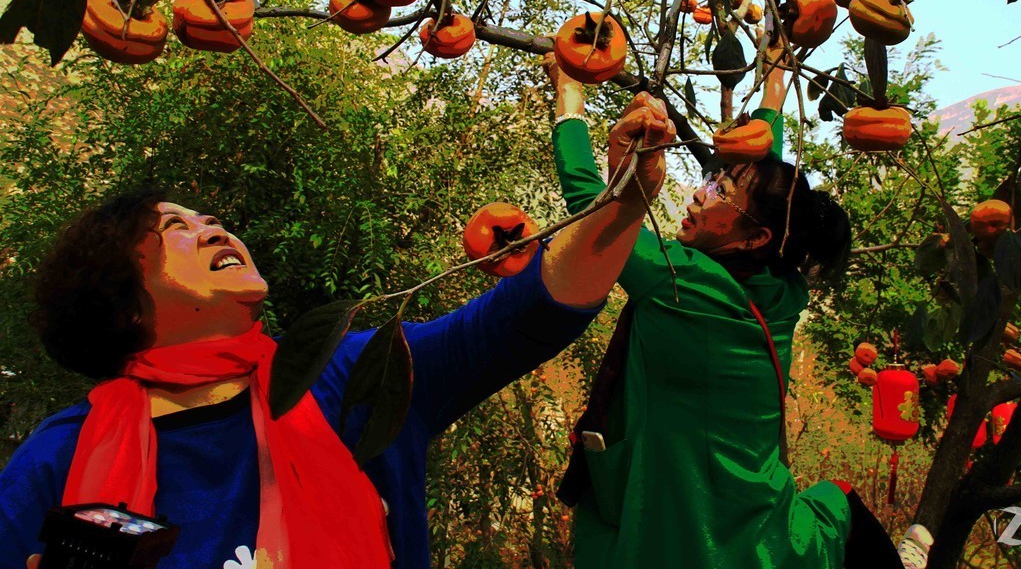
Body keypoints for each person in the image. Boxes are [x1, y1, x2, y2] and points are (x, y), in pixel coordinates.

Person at [0, 101, 675, 569]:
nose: (213, 228)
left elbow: (526, 315)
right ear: (120, 303)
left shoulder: (348, 379)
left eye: (208, 218)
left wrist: (624, 198)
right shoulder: (58, 461)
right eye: (174, 228)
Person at [544, 49, 900, 569]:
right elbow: (764, 183)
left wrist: (569, 95)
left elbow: (590, 202)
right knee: (837, 507)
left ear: (755, 238)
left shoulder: (680, 282)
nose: (696, 194)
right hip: (762, 534)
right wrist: (774, 82)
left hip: (682, 529)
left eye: (717, 190)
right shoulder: (784, 288)